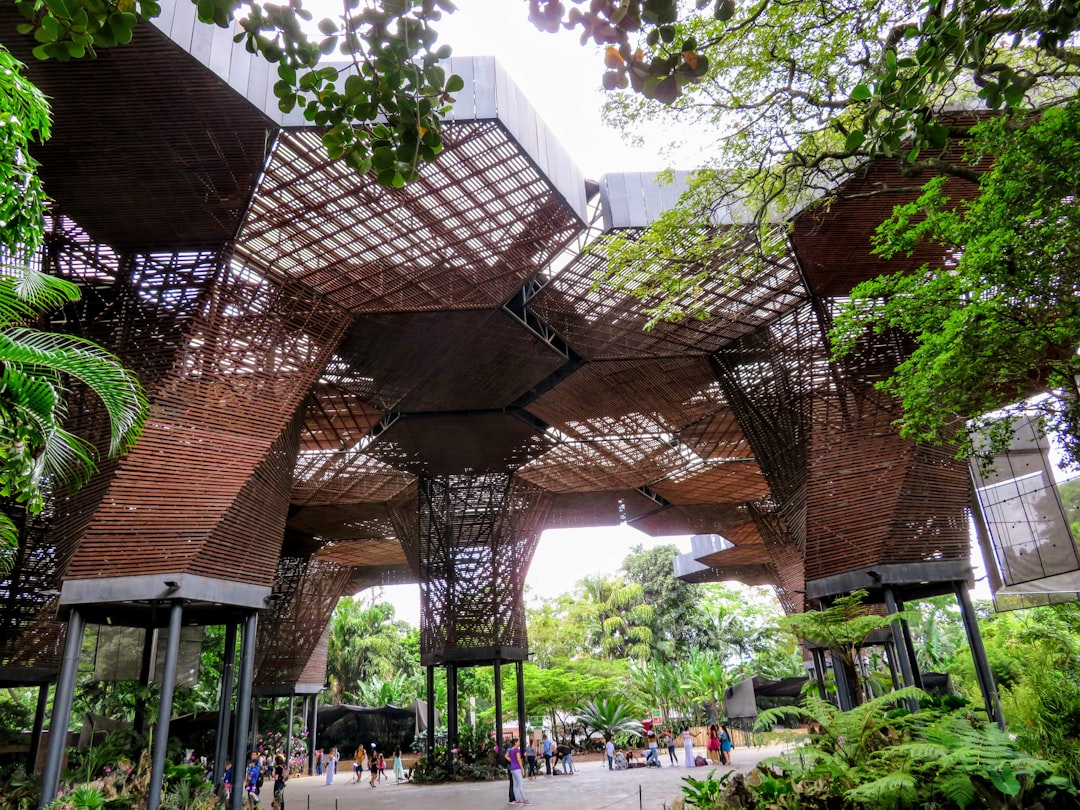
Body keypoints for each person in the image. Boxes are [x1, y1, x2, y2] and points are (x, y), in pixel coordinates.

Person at [508, 737, 529, 806]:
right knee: (521, 784)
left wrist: (512, 761)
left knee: (515, 785)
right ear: (515, 743)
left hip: (512, 768)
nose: (519, 743)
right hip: (517, 768)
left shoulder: (511, 750)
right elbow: (519, 759)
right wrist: (522, 768)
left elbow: (506, 756)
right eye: (518, 742)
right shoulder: (517, 750)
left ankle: (517, 799)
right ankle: (524, 799)